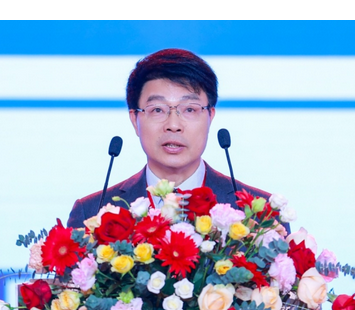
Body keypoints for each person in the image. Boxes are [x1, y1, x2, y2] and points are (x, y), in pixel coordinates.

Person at [67, 48, 278, 229]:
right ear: (134, 119)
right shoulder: (92, 213)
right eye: (158, 109)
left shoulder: (261, 214)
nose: (173, 125)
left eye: (190, 109)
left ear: (210, 116)